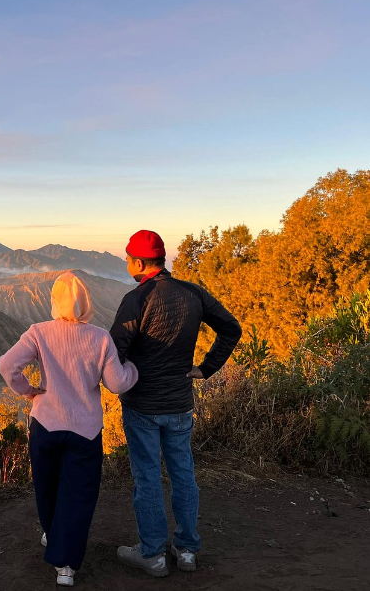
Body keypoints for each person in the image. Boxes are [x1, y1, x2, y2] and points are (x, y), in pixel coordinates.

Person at [110, 230, 242, 577]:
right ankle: (186, 550)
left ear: (138, 263)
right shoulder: (193, 293)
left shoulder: (136, 299)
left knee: (148, 477)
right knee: (183, 474)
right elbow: (231, 328)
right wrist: (206, 368)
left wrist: (119, 383)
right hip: (181, 403)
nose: (127, 265)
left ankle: (152, 554)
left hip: (142, 406)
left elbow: (114, 352)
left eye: (127, 259)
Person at [0, 271, 138, 587]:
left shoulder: (39, 332)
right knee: (79, 495)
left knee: (47, 486)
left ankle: (53, 535)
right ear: (86, 301)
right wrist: (132, 370)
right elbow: (116, 384)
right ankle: (66, 566)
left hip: (45, 423)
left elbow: (8, 365)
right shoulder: (101, 337)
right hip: (85, 430)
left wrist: (27, 390)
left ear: (55, 301)